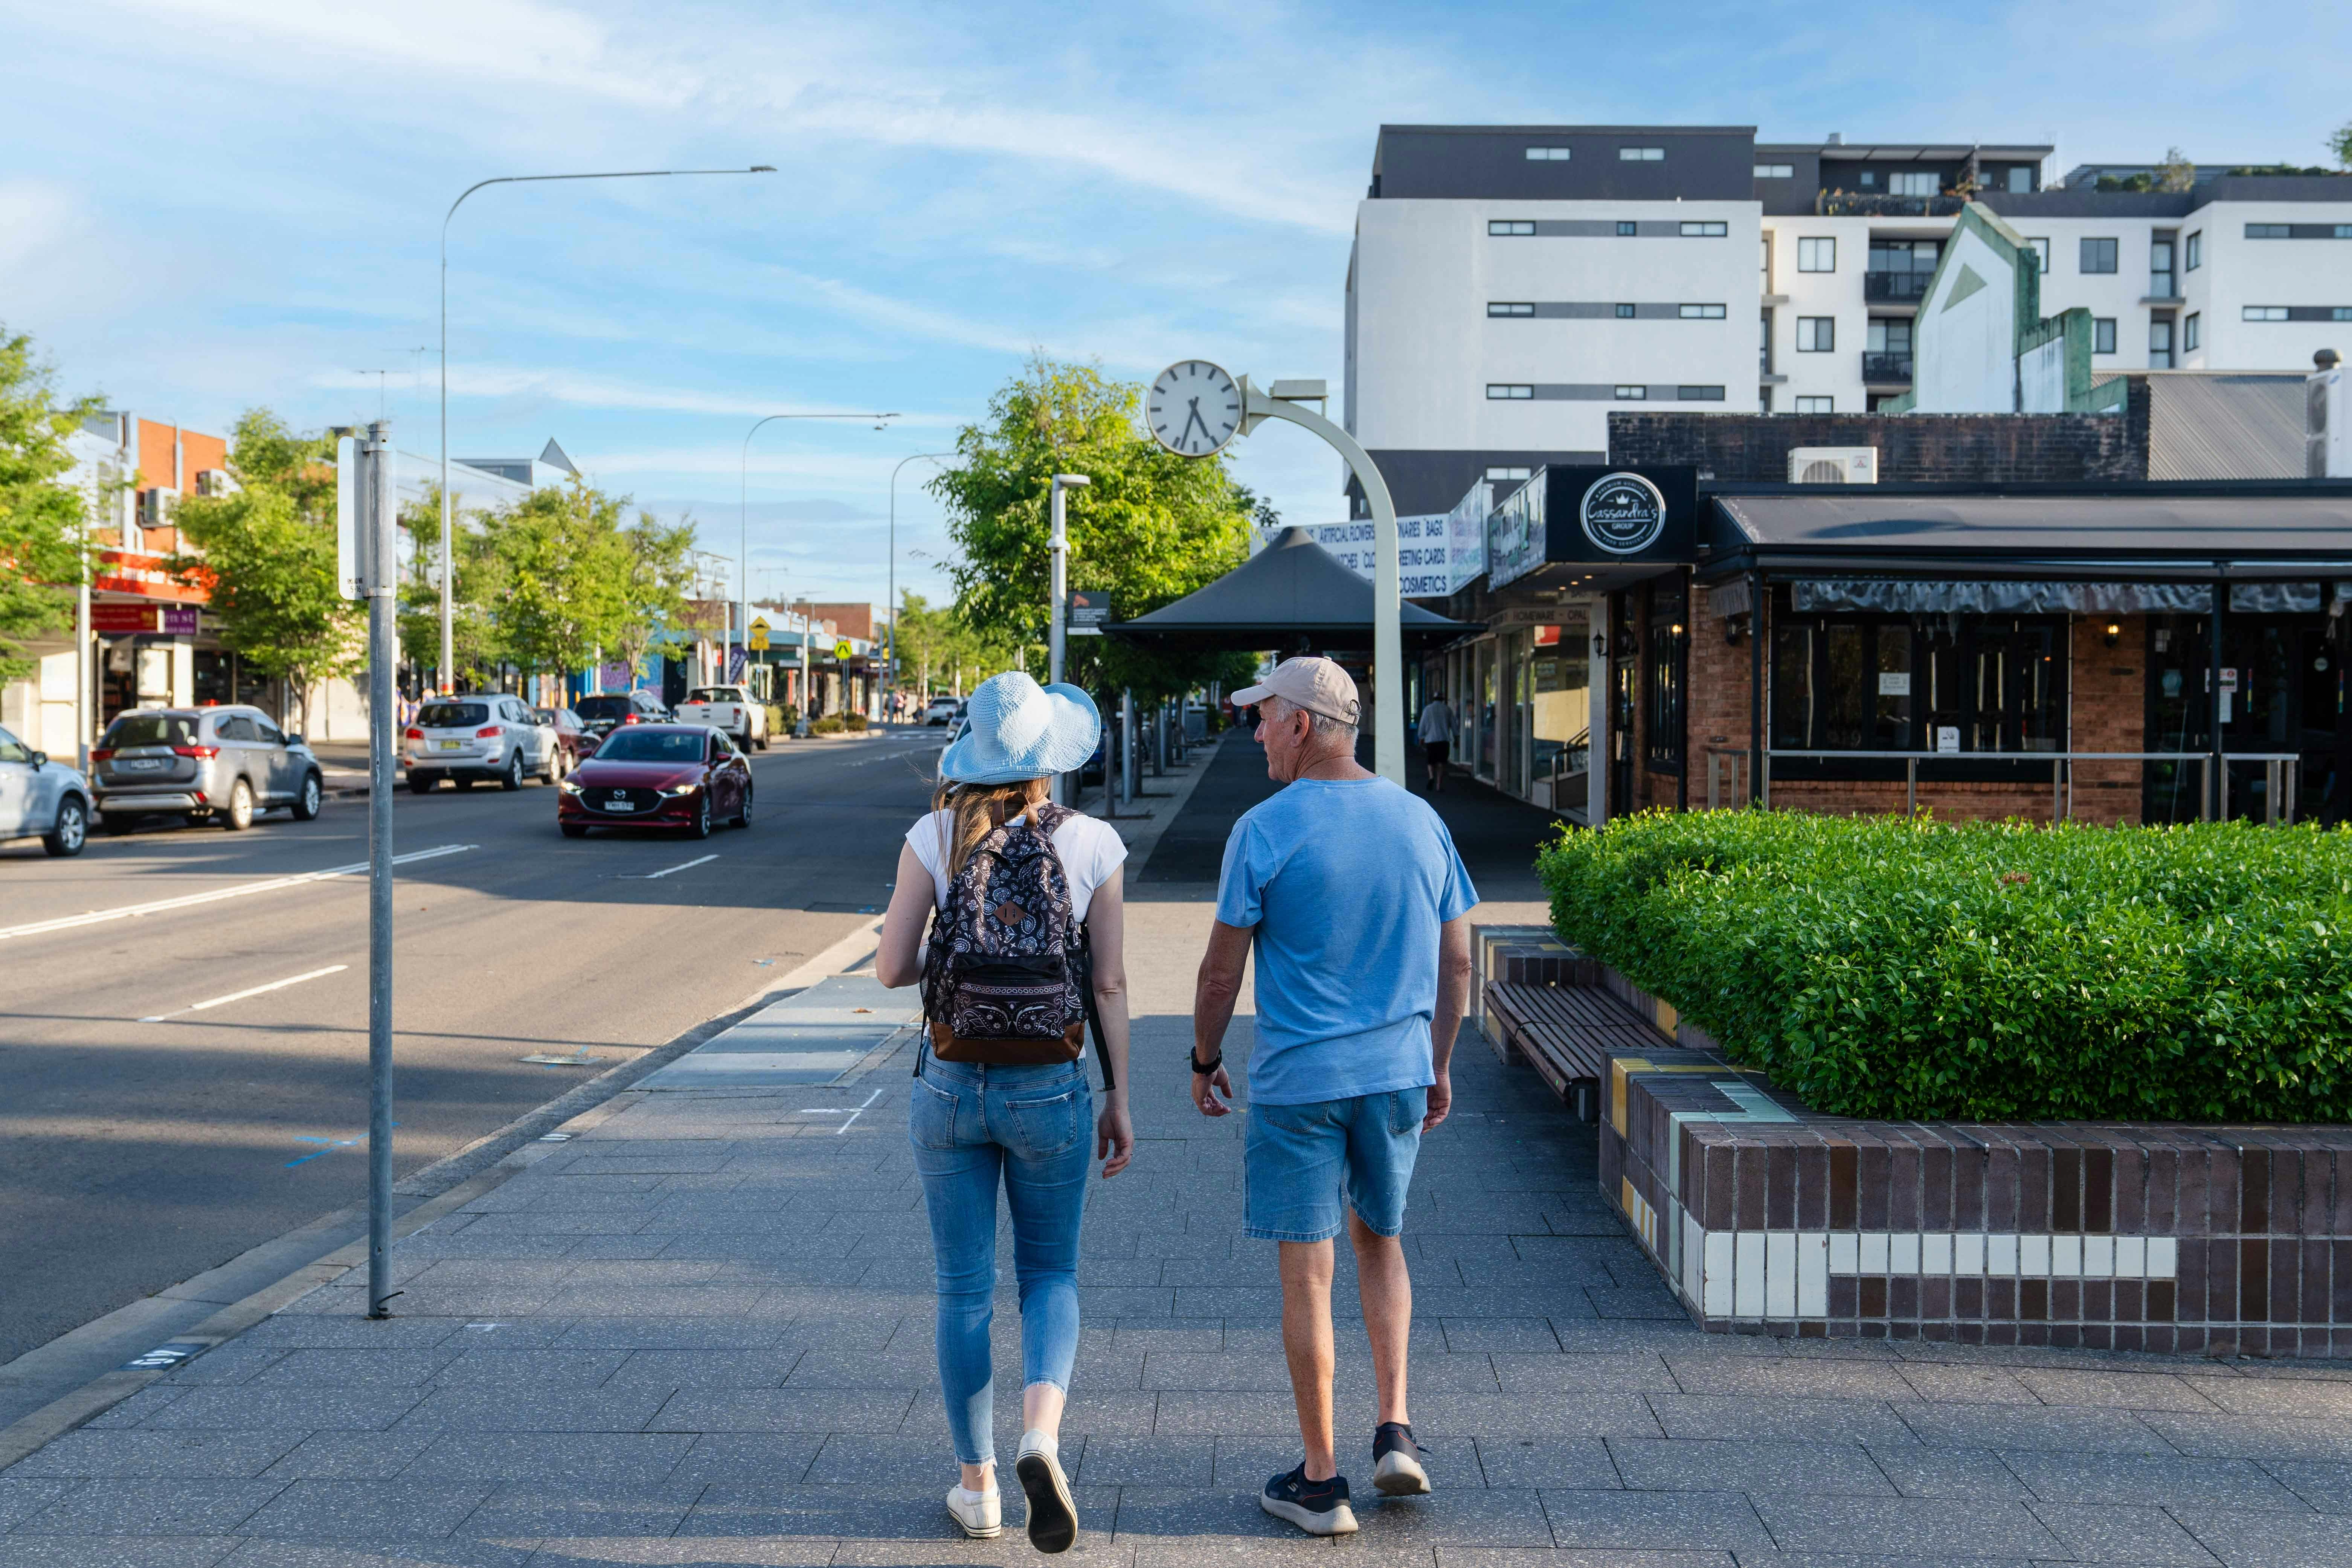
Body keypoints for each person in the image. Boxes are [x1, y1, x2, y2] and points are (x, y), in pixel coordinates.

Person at [1190, 656, 1477, 1536]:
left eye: (1265, 716)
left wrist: (1204, 1059)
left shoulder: (1264, 829)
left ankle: (1321, 1481)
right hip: (1395, 1073)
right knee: (1381, 1242)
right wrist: (1438, 1059)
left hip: (1298, 1083)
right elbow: (1460, 958)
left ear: (1305, 724)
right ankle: (1395, 1428)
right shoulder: (1420, 819)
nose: (1256, 730)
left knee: (1307, 1268)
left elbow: (1219, 967)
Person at [875, 671, 1135, 1554]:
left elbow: (889, 966)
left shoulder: (933, 832)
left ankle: (976, 1483)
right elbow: (1106, 980)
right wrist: (1120, 1095)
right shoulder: (1094, 840)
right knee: (1050, 1271)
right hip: (1051, 1083)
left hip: (948, 1081)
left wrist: (955, 974)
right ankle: (1040, 1437)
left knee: (962, 1287)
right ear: (1048, 758)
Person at [1415, 690, 1454, 794]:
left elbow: (1422, 725)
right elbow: (1454, 725)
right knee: (1441, 763)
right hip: (1444, 740)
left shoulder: (1427, 710)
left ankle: (1432, 777)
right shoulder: (1448, 710)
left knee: (1431, 761)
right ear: (1443, 699)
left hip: (1431, 740)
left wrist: (1421, 737)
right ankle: (1438, 785)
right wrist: (1457, 738)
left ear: (1434, 699)